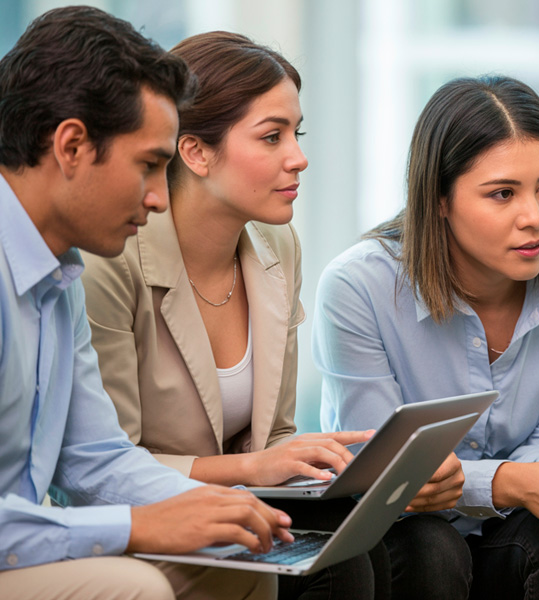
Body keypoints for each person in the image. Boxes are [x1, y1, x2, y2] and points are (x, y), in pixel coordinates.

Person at [80, 31, 457, 599]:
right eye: (272, 136)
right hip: (146, 524)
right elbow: (106, 468)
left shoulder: (278, 249)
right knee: (342, 568)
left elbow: (272, 437)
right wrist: (254, 470)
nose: (298, 158)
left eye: (296, 134)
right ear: (196, 152)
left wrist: (328, 467)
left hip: (241, 509)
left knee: (391, 545)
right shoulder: (112, 261)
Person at [0, 7, 292, 600]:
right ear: (72, 146)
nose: (160, 198)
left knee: (238, 557)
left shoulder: (54, 272)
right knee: (133, 587)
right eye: (150, 166)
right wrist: (137, 524)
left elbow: (95, 461)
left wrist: (219, 510)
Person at [313, 75, 539, 599]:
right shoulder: (359, 286)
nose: (534, 218)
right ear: (439, 199)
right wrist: (508, 482)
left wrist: (498, 484)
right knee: (431, 549)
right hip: (398, 535)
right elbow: (388, 475)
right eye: (502, 194)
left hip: (511, 533)